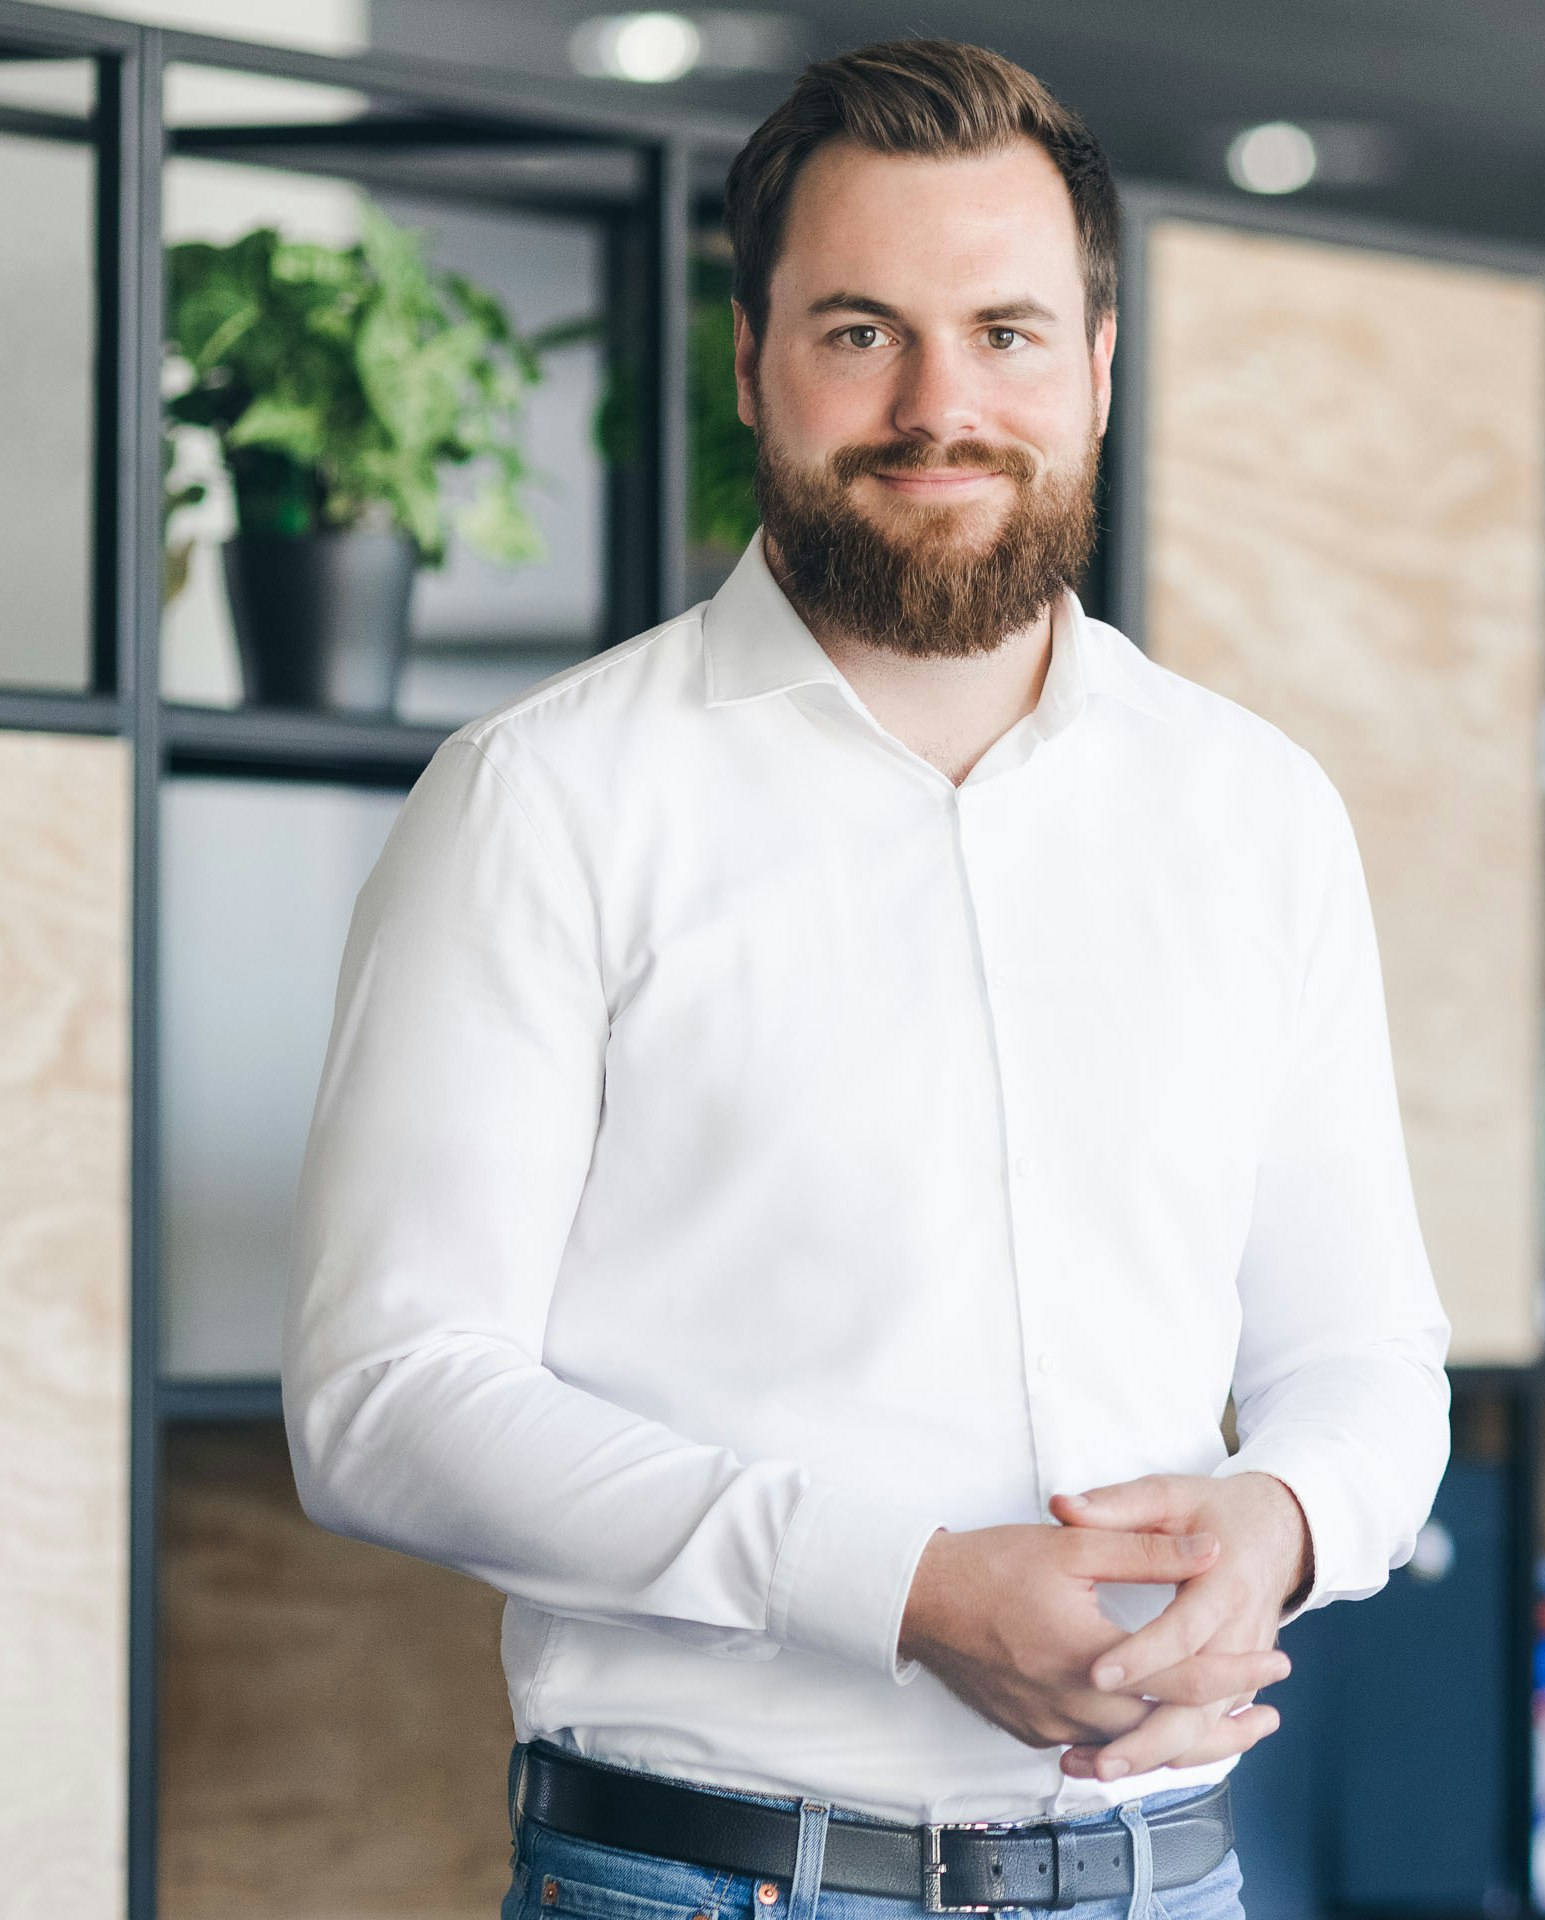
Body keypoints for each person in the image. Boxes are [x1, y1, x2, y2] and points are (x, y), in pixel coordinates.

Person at [280, 38, 1452, 1920]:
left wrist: (1286, 1524)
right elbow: (386, 1395)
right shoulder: (546, 799)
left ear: (1096, 358)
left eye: (1003, 330)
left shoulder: (1255, 809)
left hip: (1165, 1881)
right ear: (753, 359)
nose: (937, 403)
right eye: (858, 332)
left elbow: (1363, 1358)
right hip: (706, 1883)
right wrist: (898, 1588)